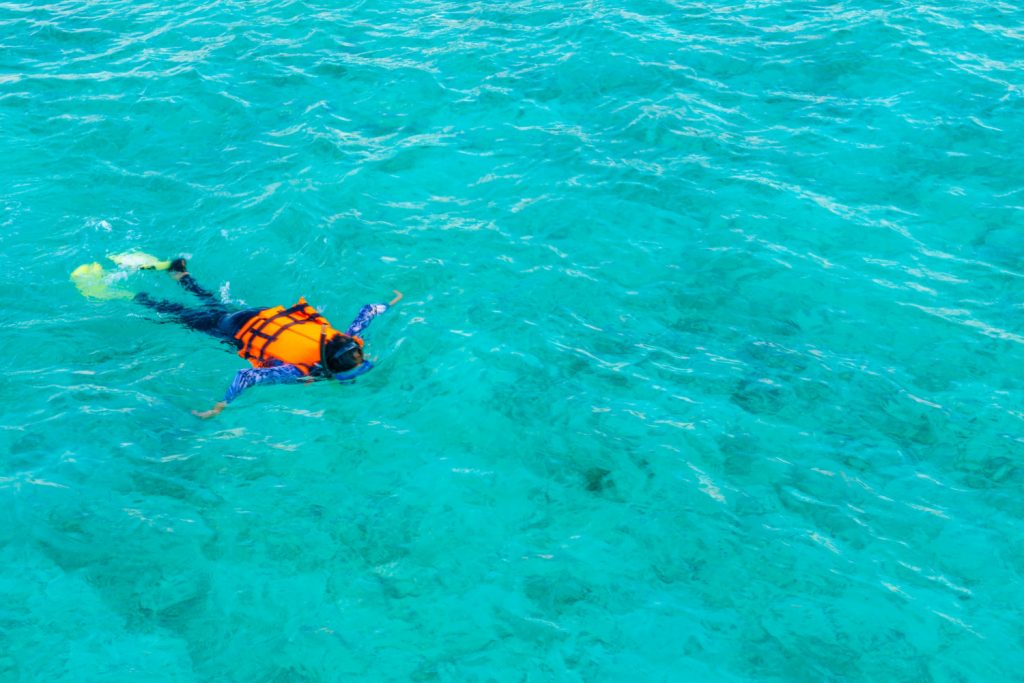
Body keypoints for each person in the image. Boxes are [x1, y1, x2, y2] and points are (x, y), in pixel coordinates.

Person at [128, 257, 401, 418]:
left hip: (261, 316)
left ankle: (180, 273)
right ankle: (133, 295)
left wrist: (391, 301)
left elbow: (369, 310)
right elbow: (245, 376)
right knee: (177, 313)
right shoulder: (296, 370)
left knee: (213, 303)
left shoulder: (345, 341)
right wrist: (222, 405)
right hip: (233, 329)